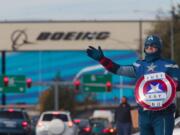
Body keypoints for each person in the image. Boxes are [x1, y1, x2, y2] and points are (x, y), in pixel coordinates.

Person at [86, 35, 180, 135]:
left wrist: (168, 85)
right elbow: (119, 69)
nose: (150, 48)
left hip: (163, 113)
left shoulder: (169, 65)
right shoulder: (139, 66)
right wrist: (102, 59)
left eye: (153, 46)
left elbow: (177, 83)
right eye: (147, 46)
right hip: (144, 114)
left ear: (159, 48)